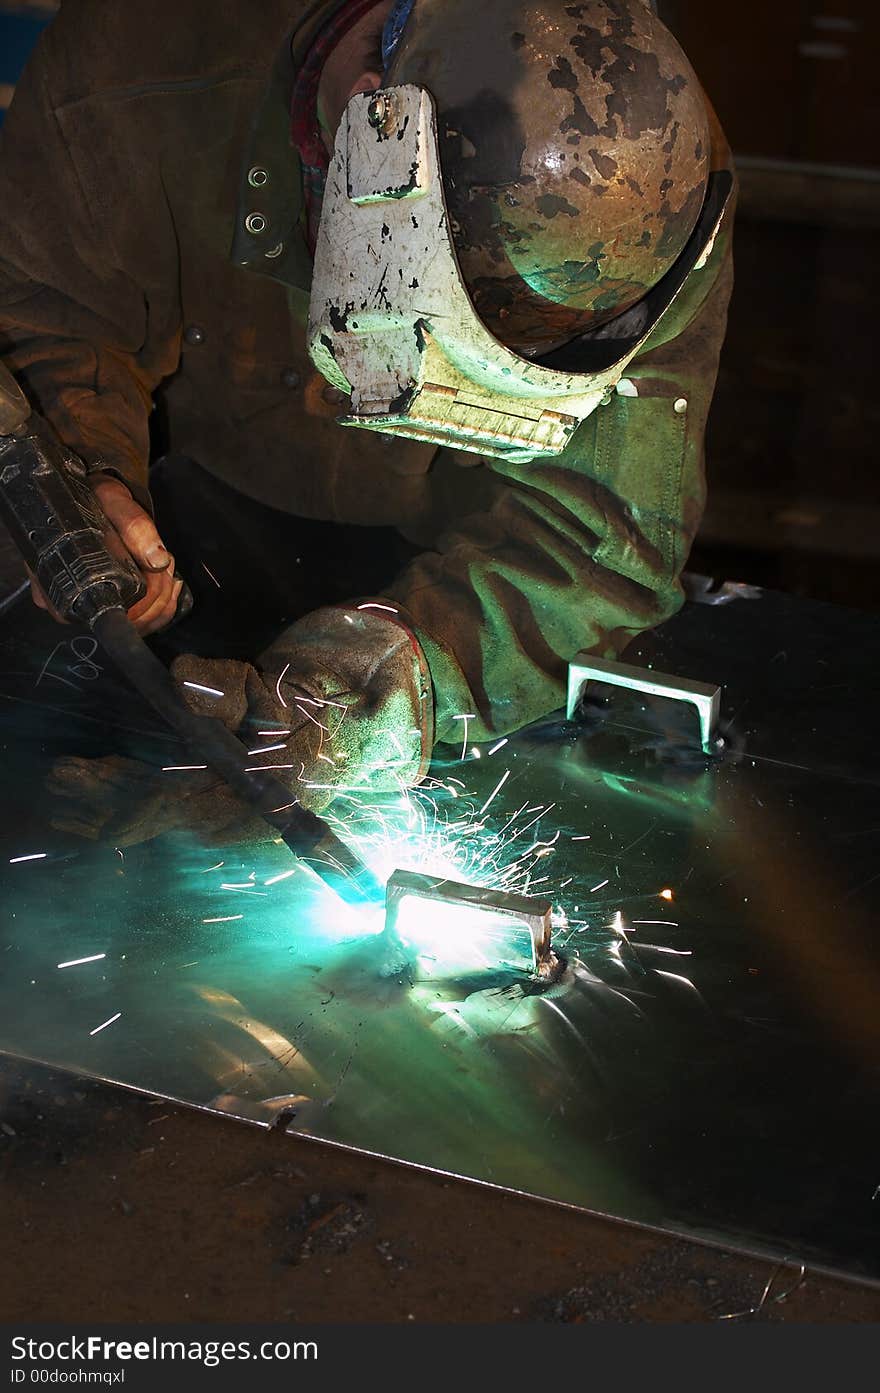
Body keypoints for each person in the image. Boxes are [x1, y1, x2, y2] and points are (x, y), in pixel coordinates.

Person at [0, 0, 735, 843]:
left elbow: (603, 530)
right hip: (179, 513)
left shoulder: (646, 176)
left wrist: (406, 681)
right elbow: (48, 323)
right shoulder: (132, 65)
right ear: (368, 100)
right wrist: (84, 477)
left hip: (453, 566)